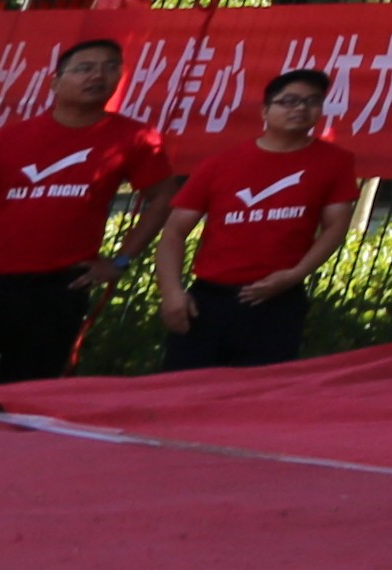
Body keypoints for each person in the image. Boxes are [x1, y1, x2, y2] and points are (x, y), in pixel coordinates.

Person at [0, 32, 168, 386]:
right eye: (84, 68)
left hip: (58, 289)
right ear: (55, 83)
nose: (98, 76)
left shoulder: (134, 137)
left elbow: (162, 198)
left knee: (29, 395)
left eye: (110, 68)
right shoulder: (9, 138)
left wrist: (120, 261)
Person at [145, 64, 368, 368]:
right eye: (289, 101)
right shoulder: (220, 164)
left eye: (312, 101)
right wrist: (171, 293)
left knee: (257, 398)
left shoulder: (335, 162)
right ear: (265, 111)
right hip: (209, 301)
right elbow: (173, 232)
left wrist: (295, 274)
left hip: (277, 301)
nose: (301, 109)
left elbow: (335, 227)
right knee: (182, 391)